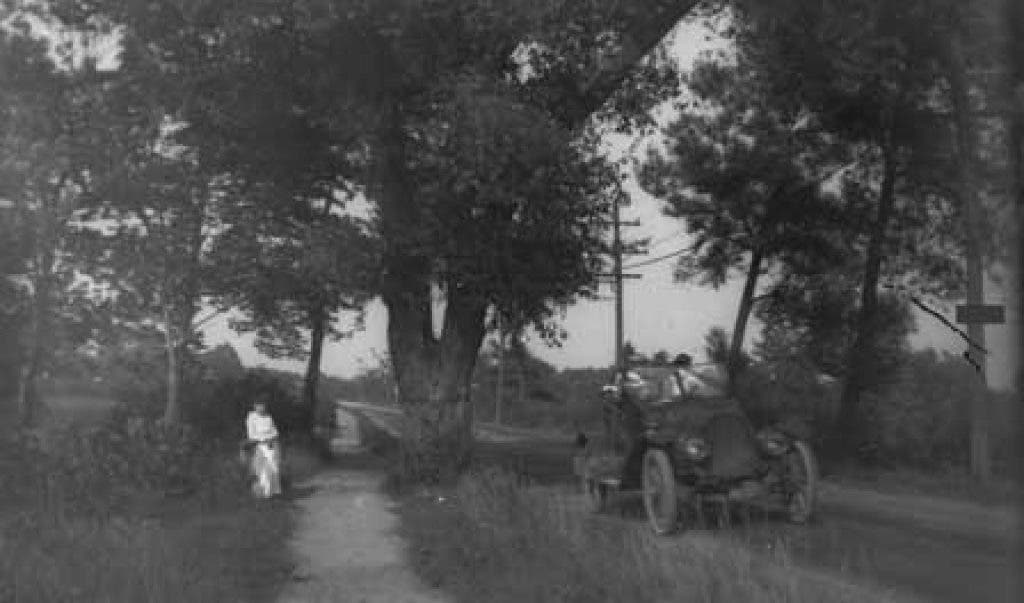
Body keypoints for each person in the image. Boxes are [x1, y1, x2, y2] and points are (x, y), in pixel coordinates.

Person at [245, 399, 282, 499]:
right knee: (263, 471)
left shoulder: (268, 417)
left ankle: (274, 493)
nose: (261, 408)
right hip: (259, 445)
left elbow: (275, 432)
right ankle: (264, 494)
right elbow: (251, 435)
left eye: (263, 405)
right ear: (255, 406)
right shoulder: (251, 417)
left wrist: (271, 438)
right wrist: (264, 438)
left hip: (271, 445)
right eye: (259, 405)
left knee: (274, 469)